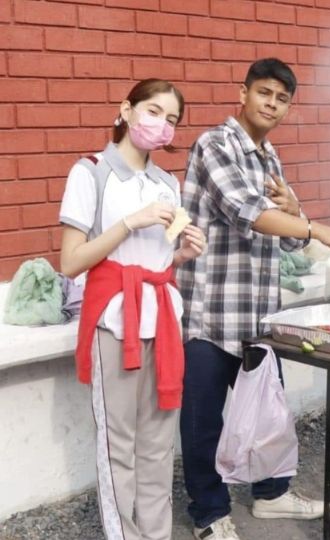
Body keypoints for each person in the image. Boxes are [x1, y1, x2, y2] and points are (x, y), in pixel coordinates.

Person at [177, 58, 330, 540]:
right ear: (243, 93)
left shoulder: (270, 158)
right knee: (203, 421)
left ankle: (272, 494)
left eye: (282, 99)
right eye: (264, 93)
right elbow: (249, 212)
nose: (272, 105)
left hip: (259, 316)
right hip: (212, 312)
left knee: (269, 414)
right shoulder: (215, 145)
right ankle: (210, 513)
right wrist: (318, 226)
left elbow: (290, 237)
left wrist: (300, 213)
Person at [59, 78, 205, 540]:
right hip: (113, 320)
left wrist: (181, 256)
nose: (163, 125)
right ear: (126, 109)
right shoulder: (91, 171)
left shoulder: (167, 183)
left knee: (160, 443)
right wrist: (129, 222)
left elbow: (157, 260)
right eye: (154, 112)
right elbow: (71, 261)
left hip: (161, 318)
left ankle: (156, 534)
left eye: (172, 119)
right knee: (117, 442)